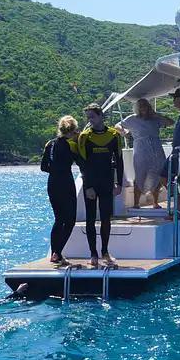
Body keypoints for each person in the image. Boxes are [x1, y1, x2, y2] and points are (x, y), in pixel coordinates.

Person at [77, 103, 124, 268]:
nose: (90, 120)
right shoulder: (84, 136)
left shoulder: (114, 135)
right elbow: (82, 164)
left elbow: (119, 161)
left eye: (92, 117)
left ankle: (105, 251)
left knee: (106, 218)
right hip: (91, 182)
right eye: (88, 117)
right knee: (90, 219)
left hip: (107, 181)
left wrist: (119, 184)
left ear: (101, 116)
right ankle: (93, 254)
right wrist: (88, 186)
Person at [114, 99, 173, 209]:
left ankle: (155, 202)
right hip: (141, 149)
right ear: (137, 108)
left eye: (145, 106)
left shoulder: (155, 118)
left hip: (156, 148)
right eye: (140, 106)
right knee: (140, 174)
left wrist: (158, 115)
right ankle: (136, 203)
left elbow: (170, 123)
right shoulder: (132, 119)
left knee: (158, 174)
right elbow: (117, 125)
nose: (143, 108)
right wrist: (124, 131)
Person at [40, 116, 82, 266]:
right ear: (73, 130)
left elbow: (43, 167)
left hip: (52, 183)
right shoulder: (71, 145)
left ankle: (54, 254)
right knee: (69, 221)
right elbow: (81, 162)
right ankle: (58, 252)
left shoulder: (49, 144)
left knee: (58, 219)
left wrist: (56, 169)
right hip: (65, 183)